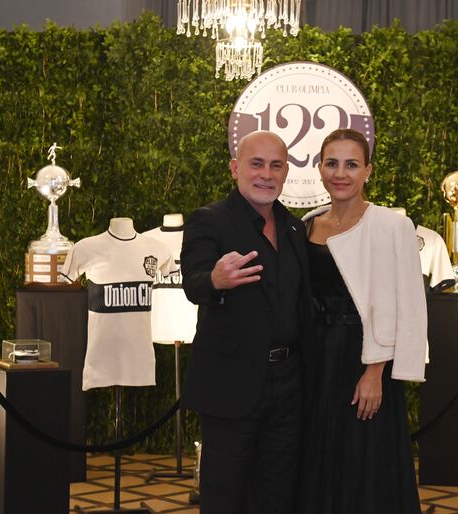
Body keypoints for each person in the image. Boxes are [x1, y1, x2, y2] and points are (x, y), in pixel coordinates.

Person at [180, 130, 313, 514]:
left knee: (277, 493)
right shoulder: (209, 220)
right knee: (224, 494)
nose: (266, 174)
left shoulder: (293, 228)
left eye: (276, 165)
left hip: (289, 385)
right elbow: (194, 283)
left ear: (286, 172)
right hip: (231, 385)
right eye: (257, 164)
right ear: (235, 168)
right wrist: (215, 281)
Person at [299, 128, 427, 514]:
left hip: (364, 358)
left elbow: (407, 302)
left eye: (351, 165)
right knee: (316, 457)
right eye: (332, 163)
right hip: (314, 359)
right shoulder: (306, 225)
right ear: (319, 168)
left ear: (368, 171)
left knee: (365, 462)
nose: (341, 173)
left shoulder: (391, 225)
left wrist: (375, 371)